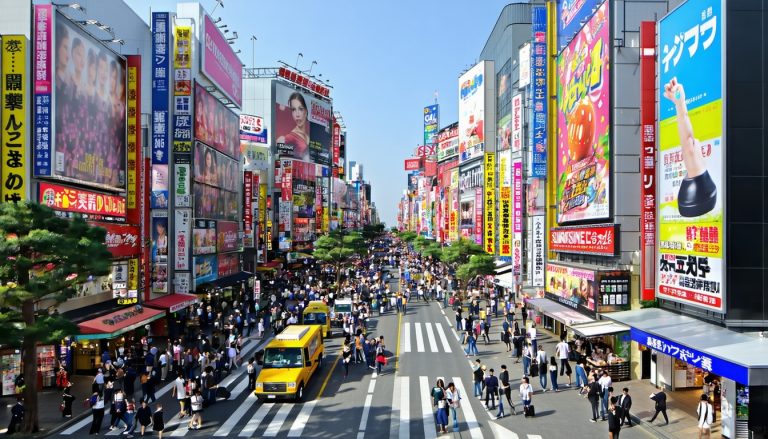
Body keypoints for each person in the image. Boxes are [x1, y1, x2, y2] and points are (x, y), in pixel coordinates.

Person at [277, 92, 310, 161]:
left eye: (300, 109)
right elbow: (278, 155)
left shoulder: (308, 135)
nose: (297, 114)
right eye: (294, 110)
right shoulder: (290, 137)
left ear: (306, 112)